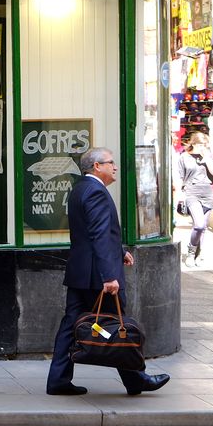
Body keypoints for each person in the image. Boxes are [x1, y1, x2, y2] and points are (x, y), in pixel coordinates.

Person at [46, 147, 169, 396]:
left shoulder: (81, 188)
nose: (115, 167)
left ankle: (58, 379)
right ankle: (136, 379)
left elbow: (94, 233)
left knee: (71, 325)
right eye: (110, 162)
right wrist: (109, 276)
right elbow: (99, 234)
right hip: (96, 276)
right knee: (119, 326)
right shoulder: (96, 192)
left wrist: (119, 250)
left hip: (81, 272)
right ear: (96, 167)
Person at [176, 132, 213, 267]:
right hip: (192, 192)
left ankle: (199, 254)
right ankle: (191, 252)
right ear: (193, 143)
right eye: (200, 144)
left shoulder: (207, 157)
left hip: (207, 193)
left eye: (204, 145)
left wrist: (207, 158)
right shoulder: (184, 157)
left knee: (204, 227)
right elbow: (180, 178)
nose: (202, 147)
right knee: (199, 225)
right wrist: (180, 196)